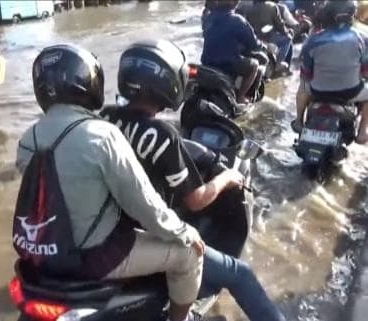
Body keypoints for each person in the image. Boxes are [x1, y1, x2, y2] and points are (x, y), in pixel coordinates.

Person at [16, 44, 207, 321]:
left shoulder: (27, 139)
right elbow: (145, 205)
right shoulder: (101, 136)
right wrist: (185, 232)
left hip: (45, 253)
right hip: (96, 256)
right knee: (188, 254)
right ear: (85, 84)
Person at [101, 40, 287, 321]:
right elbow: (196, 201)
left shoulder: (104, 117)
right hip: (142, 235)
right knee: (240, 274)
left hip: (103, 229)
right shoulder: (161, 135)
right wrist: (227, 177)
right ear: (168, 84)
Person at [292, 0, 368, 144]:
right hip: (350, 93)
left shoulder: (312, 40)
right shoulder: (362, 39)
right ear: (352, 16)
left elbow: (306, 74)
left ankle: (298, 122)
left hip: (318, 92)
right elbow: (366, 73)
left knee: (302, 86)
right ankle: (362, 132)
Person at [201, 0, 264, 104]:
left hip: (207, 62)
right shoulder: (237, 20)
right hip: (227, 64)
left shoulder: (208, 18)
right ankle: (241, 97)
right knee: (254, 65)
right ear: (235, 3)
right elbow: (253, 44)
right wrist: (261, 45)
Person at [244, 0, 294, 68]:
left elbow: (247, 25)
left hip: (256, 38)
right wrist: (287, 32)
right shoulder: (272, 6)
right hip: (269, 37)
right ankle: (278, 64)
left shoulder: (249, 9)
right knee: (288, 39)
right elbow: (280, 25)